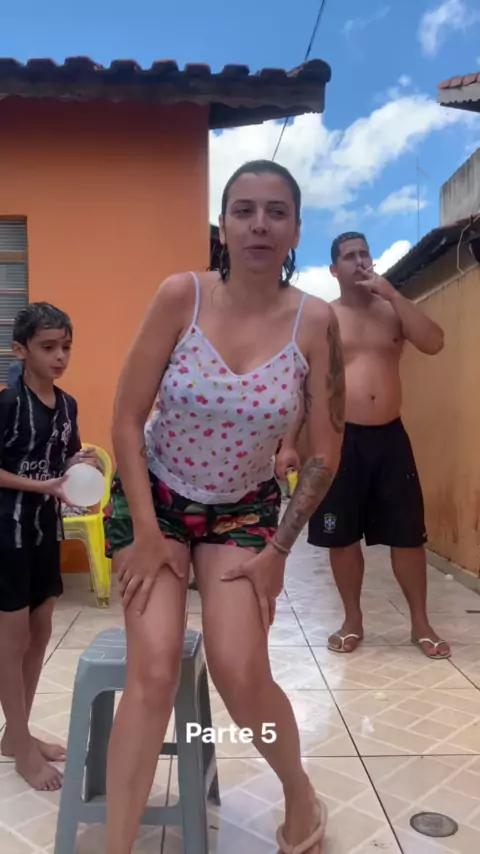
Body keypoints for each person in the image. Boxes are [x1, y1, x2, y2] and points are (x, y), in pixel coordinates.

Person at [103, 160, 346, 854]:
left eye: (276, 212)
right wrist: (146, 531)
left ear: (295, 229)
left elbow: (324, 455)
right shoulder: (181, 297)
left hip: (242, 512)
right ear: (223, 226)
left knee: (241, 672)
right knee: (154, 669)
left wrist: (277, 554)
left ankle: (298, 792)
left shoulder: (315, 323)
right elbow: (126, 418)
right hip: (154, 496)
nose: (259, 225)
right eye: (244, 210)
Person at [277, 231, 450, 659]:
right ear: (333, 269)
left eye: (364, 254)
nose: (359, 261)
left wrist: (392, 293)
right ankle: (352, 620)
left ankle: (421, 622)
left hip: (390, 436)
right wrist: (288, 443)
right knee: (342, 536)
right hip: (339, 438)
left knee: (407, 535)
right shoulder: (325, 317)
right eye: (349, 256)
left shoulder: (393, 312)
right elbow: (303, 386)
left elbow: (434, 342)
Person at [0, 302, 96, 791]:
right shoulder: (8, 405)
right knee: (12, 640)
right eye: (48, 347)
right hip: (7, 533)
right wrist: (44, 486)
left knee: (40, 631)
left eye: (66, 347)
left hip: (44, 531)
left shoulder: (68, 405)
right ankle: (21, 748)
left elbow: (64, 459)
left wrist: (81, 465)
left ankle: (14, 735)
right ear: (21, 351)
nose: (60, 357)